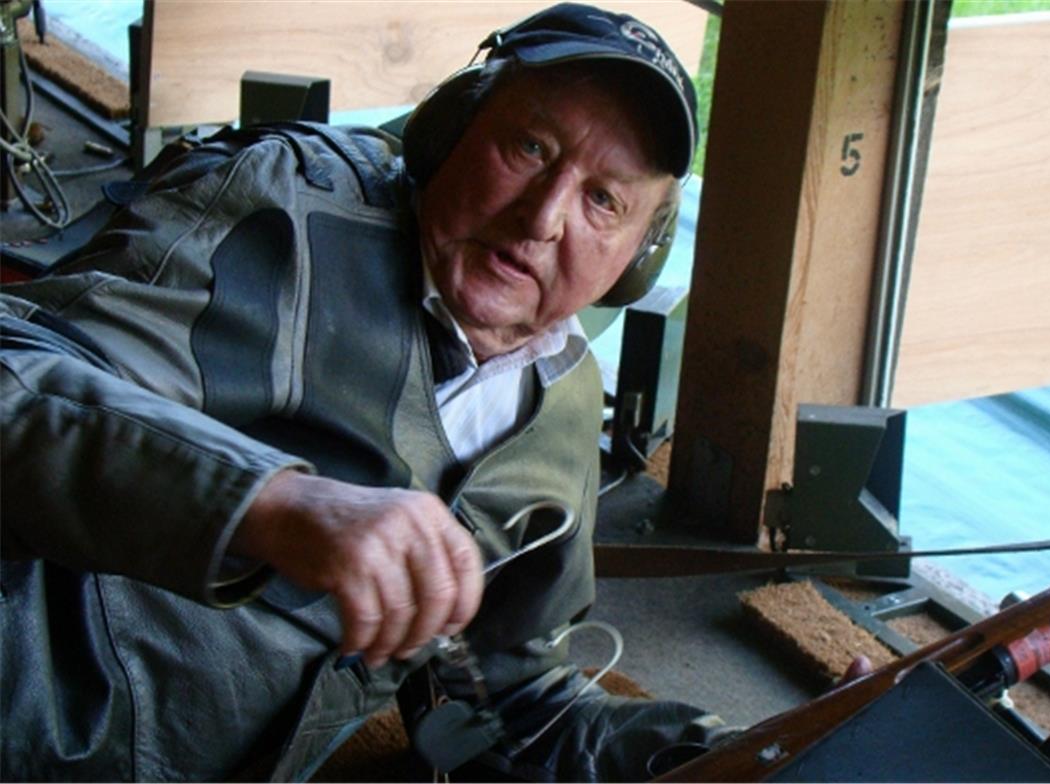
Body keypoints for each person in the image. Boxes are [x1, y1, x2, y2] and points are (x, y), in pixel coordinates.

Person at [0, 3, 731, 781]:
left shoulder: (565, 409)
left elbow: (507, 699)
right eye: (529, 146)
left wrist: (725, 753)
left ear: (638, 257)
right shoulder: (280, 206)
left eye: (604, 201)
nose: (543, 218)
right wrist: (271, 505)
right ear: (449, 128)